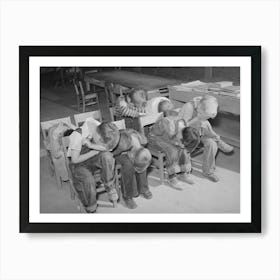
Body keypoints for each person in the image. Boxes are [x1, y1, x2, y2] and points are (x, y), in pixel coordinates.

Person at [67, 118, 120, 213]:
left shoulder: (101, 128)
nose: (102, 146)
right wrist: (94, 151)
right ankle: (91, 207)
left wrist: (91, 146)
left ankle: (109, 186)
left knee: (107, 156)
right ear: (98, 136)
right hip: (78, 163)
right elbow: (75, 160)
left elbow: (108, 148)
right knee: (88, 180)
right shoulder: (78, 135)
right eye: (101, 144)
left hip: (91, 156)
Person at [178, 95, 234, 182]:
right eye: (205, 115)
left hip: (199, 132)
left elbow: (205, 118)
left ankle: (208, 172)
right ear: (200, 109)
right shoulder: (189, 107)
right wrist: (198, 119)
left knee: (212, 144)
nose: (207, 117)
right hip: (185, 134)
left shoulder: (207, 102)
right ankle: (218, 140)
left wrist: (202, 120)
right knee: (204, 124)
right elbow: (182, 127)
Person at [148, 99, 199, 188]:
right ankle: (172, 176)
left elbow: (179, 131)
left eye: (170, 105)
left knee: (183, 150)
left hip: (170, 136)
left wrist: (180, 142)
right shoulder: (164, 121)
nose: (170, 107)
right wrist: (177, 142)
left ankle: (183, 172)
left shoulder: (178, 117)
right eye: (167, 107)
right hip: (156, 138)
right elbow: (169, 135)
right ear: (161, 111)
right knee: (173, 151)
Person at [113, 129, 152, 209]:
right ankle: (128, 195)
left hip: (132, 149)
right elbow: (112, 152)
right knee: (128, 165)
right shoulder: (122, 144)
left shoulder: (142, 140)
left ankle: (143, 188)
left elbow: (142, 153)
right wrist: (124, 152)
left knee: (143, 158)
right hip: (118, 152)